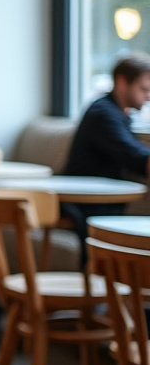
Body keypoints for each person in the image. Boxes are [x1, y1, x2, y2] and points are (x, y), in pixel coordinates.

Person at [60, 53, 150, 241]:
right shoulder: (102, 113)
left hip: (100, 203)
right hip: (84, 205)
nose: (148, 96)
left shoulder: (120, 114)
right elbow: (136, 157)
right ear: (122, 82)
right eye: (143, 89)